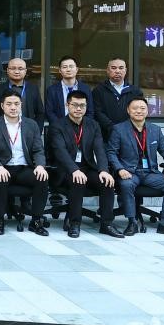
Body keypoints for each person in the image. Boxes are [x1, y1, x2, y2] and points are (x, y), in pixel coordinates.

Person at [47, 90, 122, 239]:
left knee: (106, 182)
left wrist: (104, 170)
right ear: (67, 105)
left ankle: (106, 224)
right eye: (74, 105)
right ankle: (74, 223)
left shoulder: (93, 125)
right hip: (65, 170)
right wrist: (74, 170)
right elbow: (60, 152)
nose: (78, 109)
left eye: (82, 105)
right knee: (78, 180)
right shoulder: (57, 126)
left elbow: (100, 149)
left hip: (87, 167)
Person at [107, 96, 164, 237]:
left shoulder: (155, 129)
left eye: (142, 108)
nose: (139, 111)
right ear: (128, 110)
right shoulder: (118, 129)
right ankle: (132, 222)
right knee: (126, 185)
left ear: (147, 111)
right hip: (129, 172)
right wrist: (120, 169)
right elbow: (111, 152)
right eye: (135, 108)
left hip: (150, 172)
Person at [0, 91, 50, 236]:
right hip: (2, 167)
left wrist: (40, 166)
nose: (13, 107)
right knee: (0, 178)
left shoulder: (31, 125)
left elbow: (38, 149)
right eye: (9, 104)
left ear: (21, 105)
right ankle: (0, 220)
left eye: (16, 104)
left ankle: (36, 221)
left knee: (42, 178)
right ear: (2, 106)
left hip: (23, 168)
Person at [92, 58, 142, 139]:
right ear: (108, 70)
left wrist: (126, 128)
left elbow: (139, 111)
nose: (117, 71)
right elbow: (97, 112)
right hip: (106, 135)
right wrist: (112, 128)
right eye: (113, 68)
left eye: (121, 68)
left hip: (130, 134)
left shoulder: (135, 91)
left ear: (125, 71)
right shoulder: (98, 90)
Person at [0, 58, 45, 124]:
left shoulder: (33, 88)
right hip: (4, 129)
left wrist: (37, 129)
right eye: (13, 68)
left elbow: (40, 112)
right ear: (7, 70)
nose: (17, 72)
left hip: (28, 128)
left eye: (20, 69)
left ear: (25, 71)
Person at [45, 56, 92, 126]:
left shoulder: (86, 89)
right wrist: (61, 127)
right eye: (65, 67)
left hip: (81, 128)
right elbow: (50, 112)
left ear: (76, 69)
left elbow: (90, 112)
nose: (68, 69)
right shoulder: (52, 90)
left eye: (71, 66)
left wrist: (82, 127)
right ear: (60, 70)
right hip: (59, 129)